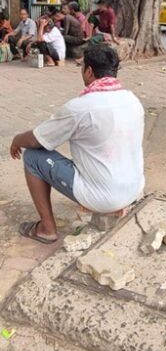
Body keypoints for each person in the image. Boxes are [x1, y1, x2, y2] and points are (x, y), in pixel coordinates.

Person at [8, 44, 146, 243]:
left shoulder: (81, 107)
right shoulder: (132, 99)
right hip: (134, 188)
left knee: (33, 156)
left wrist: (16, 140)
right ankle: (112, 201)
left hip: (106, 197)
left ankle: (46, 229)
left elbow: (36, 140)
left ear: (89, 71)